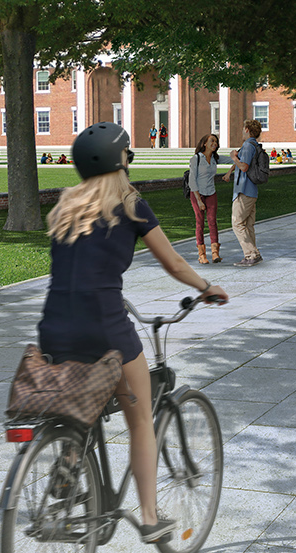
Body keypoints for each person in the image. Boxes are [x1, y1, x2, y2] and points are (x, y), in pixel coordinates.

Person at [40, 122, 229, 545]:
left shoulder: (65, 207)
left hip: (54, 329)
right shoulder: (132, 205)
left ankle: (70, 457)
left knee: (80, 400)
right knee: (141, 417)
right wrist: (206, 287)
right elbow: (174, 264)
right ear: (122, 160)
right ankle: (148, 517)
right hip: (105, 328)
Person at [230, 119, 265, 267]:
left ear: (246, 130)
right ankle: (254, 255)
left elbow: (244, 166)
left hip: (243, 190)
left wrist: (233, 157)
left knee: (237, 223)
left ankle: (251, 254)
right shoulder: (254, 145)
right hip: (252, 191)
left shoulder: (247, 146)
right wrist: (229, 172)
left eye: (243, 128)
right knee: (248, 224)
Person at [189, 133, 222, 264]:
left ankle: (215, 253)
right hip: (197, 193)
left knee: (213, 221)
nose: (215, 144)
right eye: (212, 141)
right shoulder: (196, 159)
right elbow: (192, 180)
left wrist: (230, 171)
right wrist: (198, 200)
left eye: (216, 142)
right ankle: (201, 255)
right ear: (204, 144)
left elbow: (234, 159)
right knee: (200, 223)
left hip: (211, 192)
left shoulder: (215, 158)